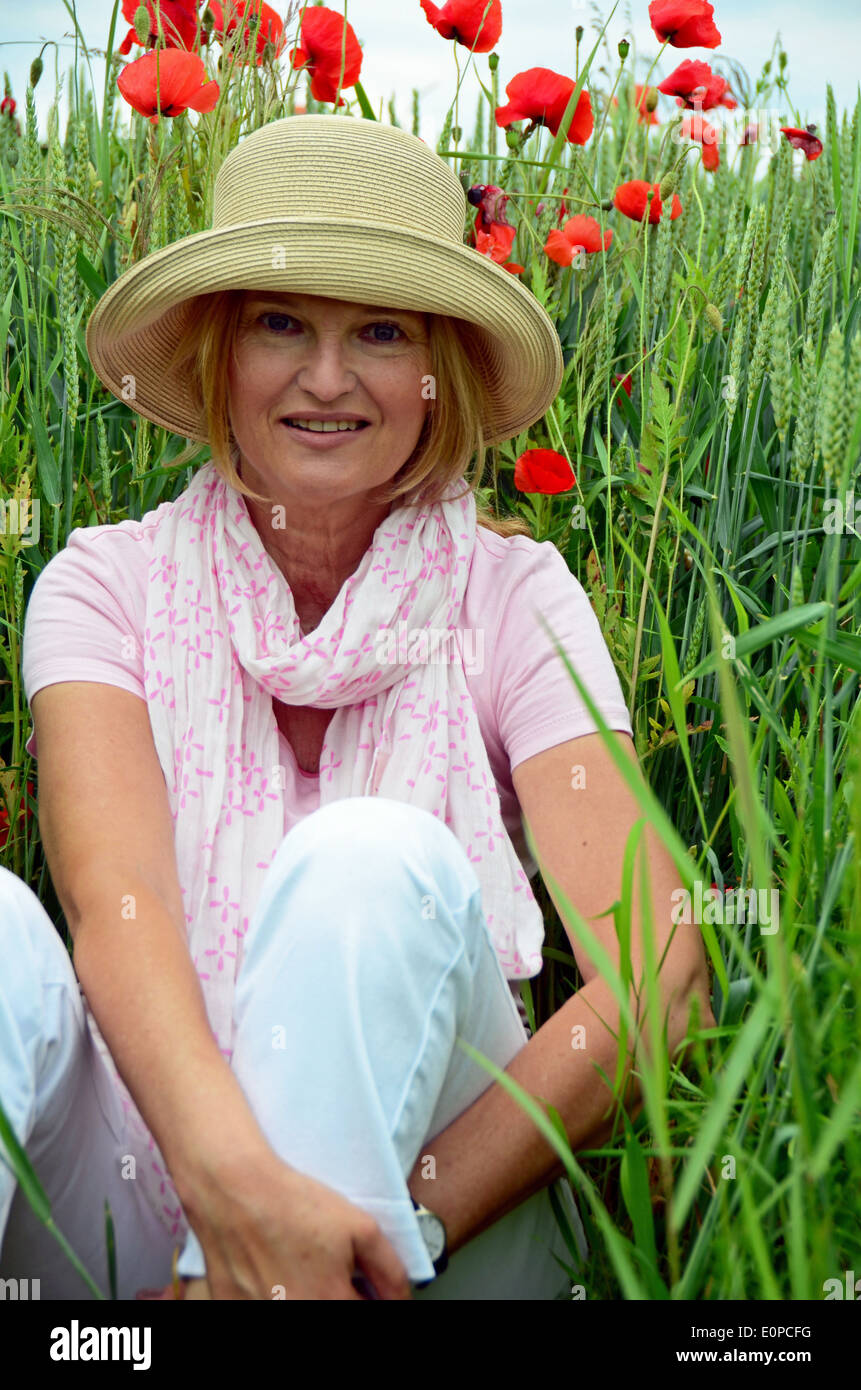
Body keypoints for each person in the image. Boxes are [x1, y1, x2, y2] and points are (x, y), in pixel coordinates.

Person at [0, 114, 713, 1301]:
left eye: (379, 331)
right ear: (222, 349)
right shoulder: (102, 585)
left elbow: (664, 969)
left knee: (368, 859)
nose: (326, 379)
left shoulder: (511, 597)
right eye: (282, 323)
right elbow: (110, 901)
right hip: (134, 1191)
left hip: (438, 1228)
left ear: (440, 372)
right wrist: (240, 1209)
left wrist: (384, 1228)